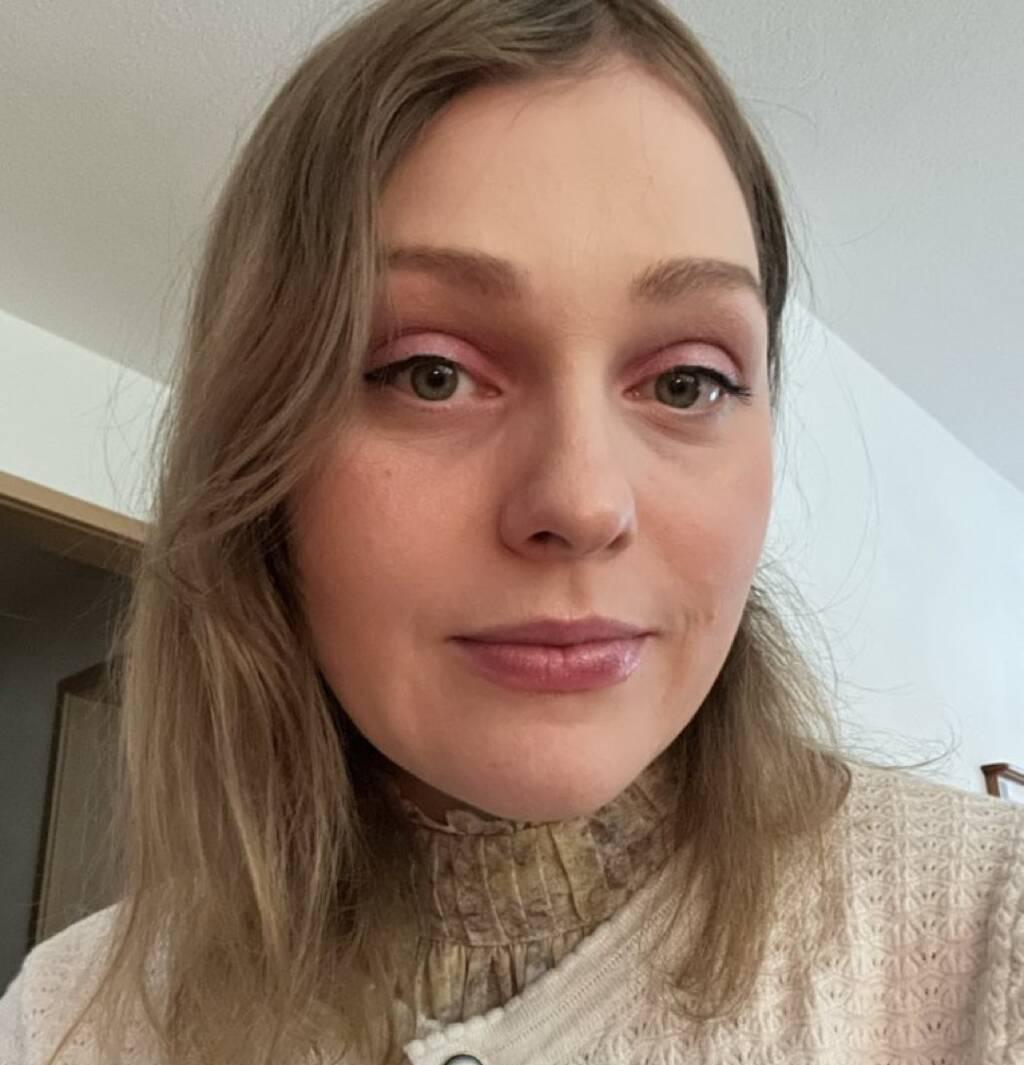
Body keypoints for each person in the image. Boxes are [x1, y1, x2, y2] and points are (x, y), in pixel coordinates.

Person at [2, 0, 1021, 1063]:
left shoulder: (987, 933)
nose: (581, 503)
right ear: (259, 455)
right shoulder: (69, 1020)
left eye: (686, 381)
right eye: (430, 374)